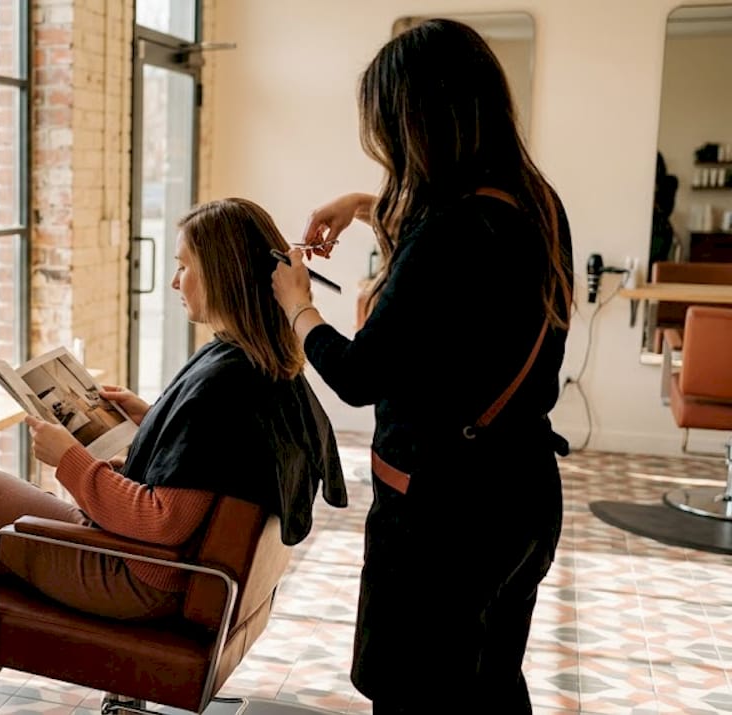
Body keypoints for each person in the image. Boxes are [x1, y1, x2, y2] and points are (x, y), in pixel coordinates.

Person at [0, 197, 347, 715]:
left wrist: (68, 458)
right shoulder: (258, 365)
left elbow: (162, 522)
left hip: (138, 575)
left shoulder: (224, 383)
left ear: (222, 275)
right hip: (162, 569)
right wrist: (151, 418)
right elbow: (209, 459)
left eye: (184, 267)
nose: (175, 282)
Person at [270, 19, 573, 714]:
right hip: (524, 494)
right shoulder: (536, 203)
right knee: (491, 687)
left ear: (420, 126)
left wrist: (297, 306)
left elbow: (357, 375)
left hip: (447, 518)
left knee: (414, 692)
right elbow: (463, 290)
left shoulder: (449, 235)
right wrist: (365, 207)